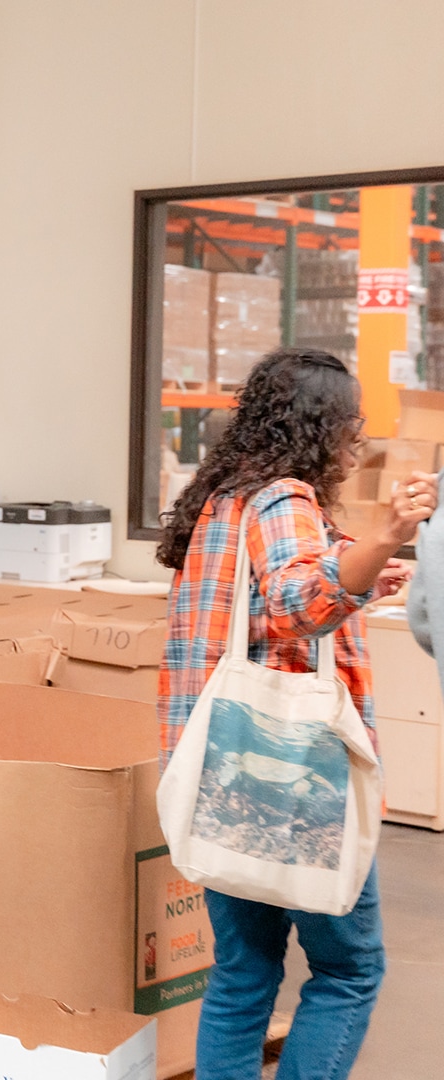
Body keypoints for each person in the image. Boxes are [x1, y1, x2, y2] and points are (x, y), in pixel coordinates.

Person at [157, 347, 434, 1080]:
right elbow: (292, 604)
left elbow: (276, 591)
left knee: (243, 975)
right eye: (354, 422)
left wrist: (371, 567)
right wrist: (385, 537)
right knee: (349, 969)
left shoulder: (224, 497)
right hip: (292, 779)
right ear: (323, 425)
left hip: (218, 774)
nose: (359, 438)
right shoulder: (286, 499)